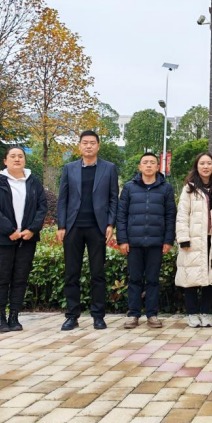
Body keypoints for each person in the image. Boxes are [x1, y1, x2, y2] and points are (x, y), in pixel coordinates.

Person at [56, 130, 119, 331]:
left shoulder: (109, 168)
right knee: (71, 273)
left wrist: (110, 224)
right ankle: (71, 316)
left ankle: (98, 316)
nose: (89, 146)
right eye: (85, 143)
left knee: (98, 273)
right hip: (73, 227)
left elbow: (113, 198)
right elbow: (63, 199)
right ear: (80, 146)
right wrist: (61, 226)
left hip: (97, 227)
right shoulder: (69, 168)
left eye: (92, 143)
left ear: (98, 146)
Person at [0, 146, 48, 333]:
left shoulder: (33, 182)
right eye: (12, 156)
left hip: (27, 239)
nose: (17, 159)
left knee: (20, 278)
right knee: (2, 278)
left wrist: (32, 229)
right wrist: (9, 230)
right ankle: (0, 318)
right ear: (5, 161)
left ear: (25, 160)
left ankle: (14, 316)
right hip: (2, 239)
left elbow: (42, 207)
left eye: (20, 156)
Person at [117, 153, 176, 329]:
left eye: (152, 163)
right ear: (139, 167)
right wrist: (122, 240)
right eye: (145, 162)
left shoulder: (166, 188)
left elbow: (170, 216)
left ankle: (152, 314)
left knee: (153, 280)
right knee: (134, 279)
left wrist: (168, 240)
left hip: (156, 242)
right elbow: (121, 215)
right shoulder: (129, 187)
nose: (149, 165)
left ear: (157, 167)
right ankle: (133, 314)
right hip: (133, 242)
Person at [175, 152, 212, 328]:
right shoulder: (189, 188)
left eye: (209, 163)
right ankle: (192, 314)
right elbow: (182, 214)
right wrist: (183, 237)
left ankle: (205, 313)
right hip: (193, 239)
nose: (206, 167)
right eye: (202, 163)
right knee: (191, 277)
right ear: (196, 166)